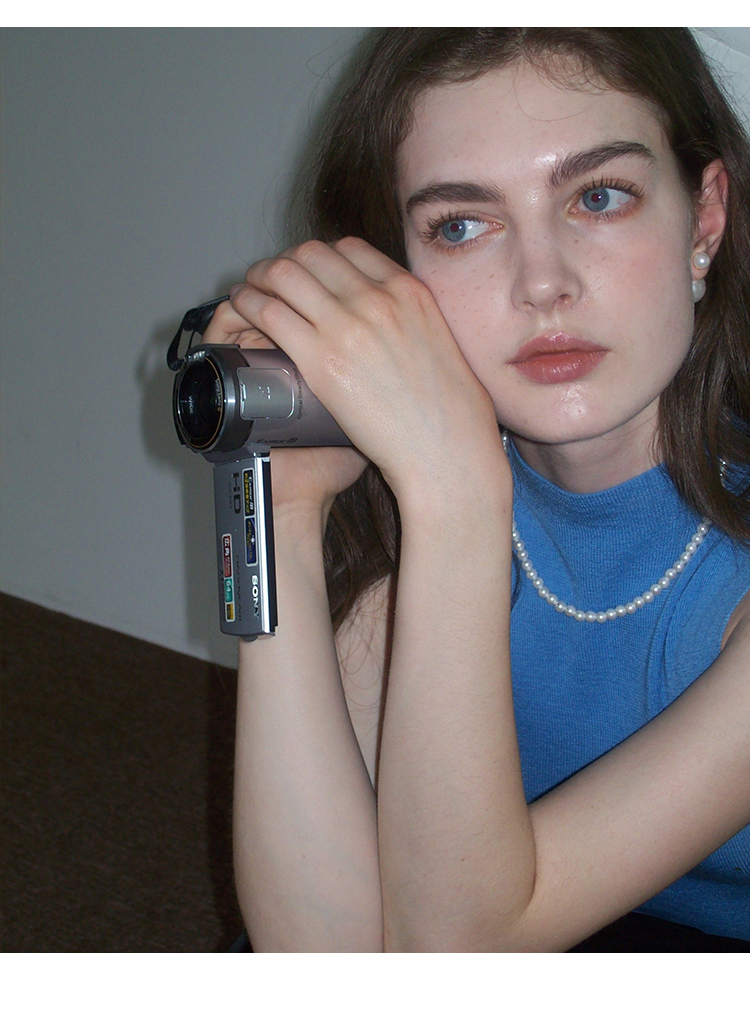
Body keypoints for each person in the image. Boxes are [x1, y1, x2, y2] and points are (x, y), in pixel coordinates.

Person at [207, 28, 750, 951]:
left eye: (599, 196)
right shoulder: (420, 494)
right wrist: (279, 515)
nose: (543, 283)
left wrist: (455, 496)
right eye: (461, 225)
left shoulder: (445, 487)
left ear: (703, 219)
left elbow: (450, 957)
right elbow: (318, 959)